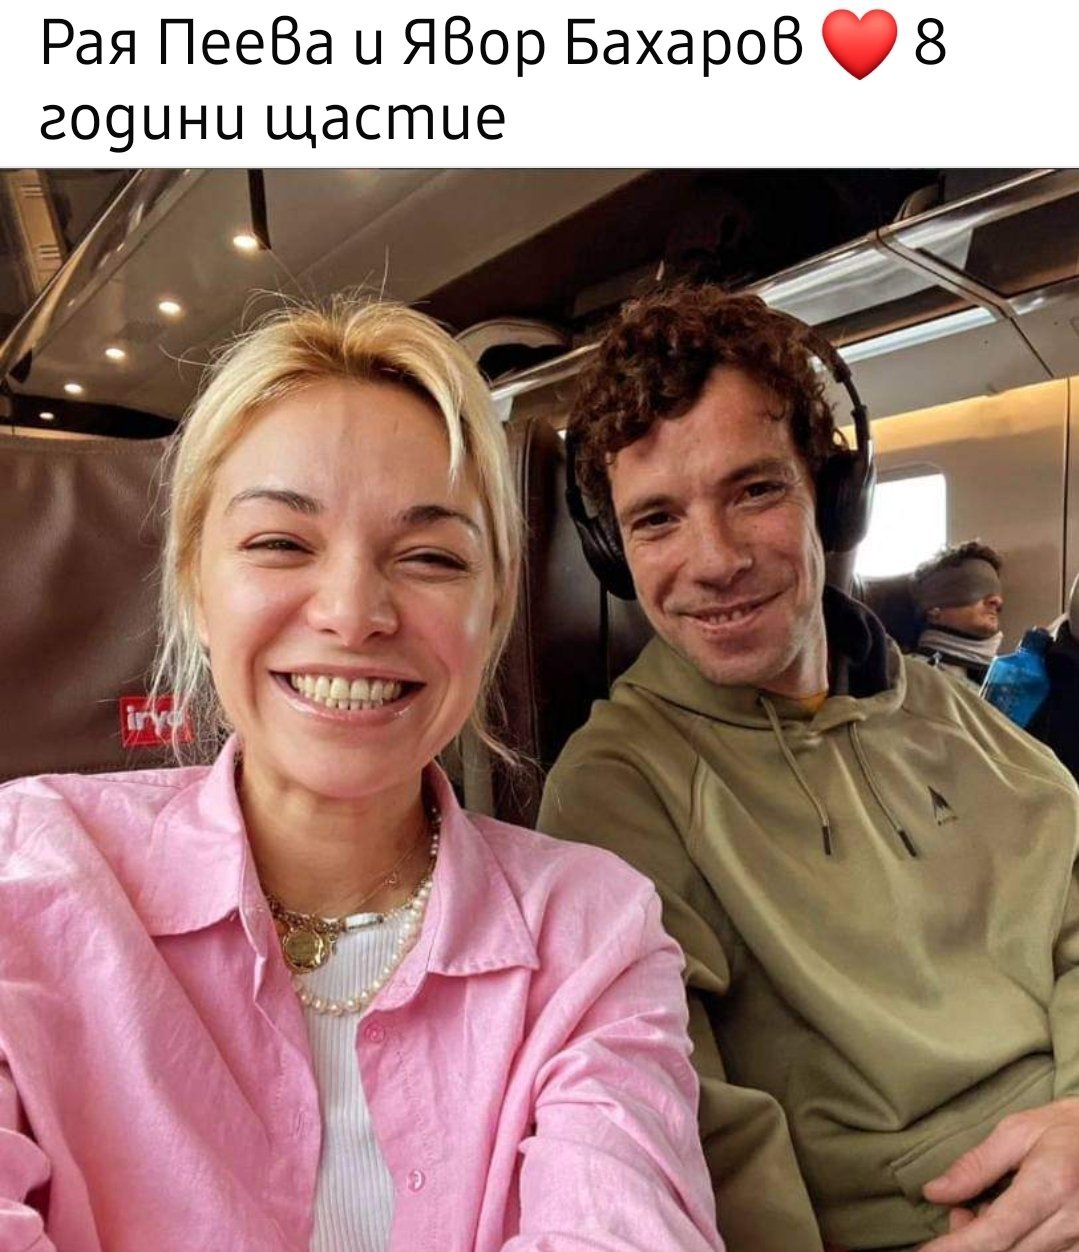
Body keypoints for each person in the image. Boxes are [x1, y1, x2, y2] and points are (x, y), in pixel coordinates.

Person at [0, 298, 722, 1252]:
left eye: (428, 557)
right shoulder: (30, 871)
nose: (352, 612)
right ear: (196, 587)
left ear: (491, 613)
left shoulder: (591, 932)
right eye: (280, 543)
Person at [537, 285, 1079, 1252]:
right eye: (656, 519)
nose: (713, 560)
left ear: (829, 497)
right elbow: (681, 1127)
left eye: (753, 491)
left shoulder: (950, 706)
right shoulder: (618, 782)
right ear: (614, 553)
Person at [910, 541, 1005, 685]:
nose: (997, 601)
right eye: (977, 587)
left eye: (996, 590)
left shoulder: (1008, 682)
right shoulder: (908, 677)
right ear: (933, 610)